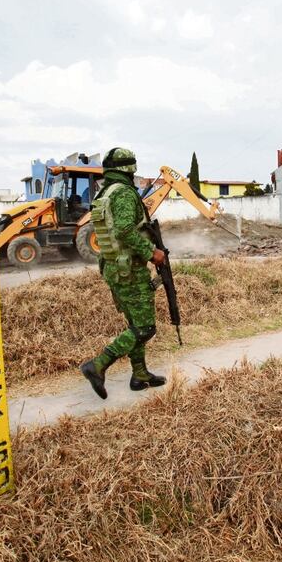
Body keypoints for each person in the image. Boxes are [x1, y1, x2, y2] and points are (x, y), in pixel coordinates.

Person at [80, 147, 167, 399]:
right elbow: (125, 230)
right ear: (130, 169)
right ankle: (97, 365)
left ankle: (139, 375)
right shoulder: (125, 194)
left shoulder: (104, 192)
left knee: (135, 324)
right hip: (129, 269)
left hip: (113, 268)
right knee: (145, 328)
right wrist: (152, 252)